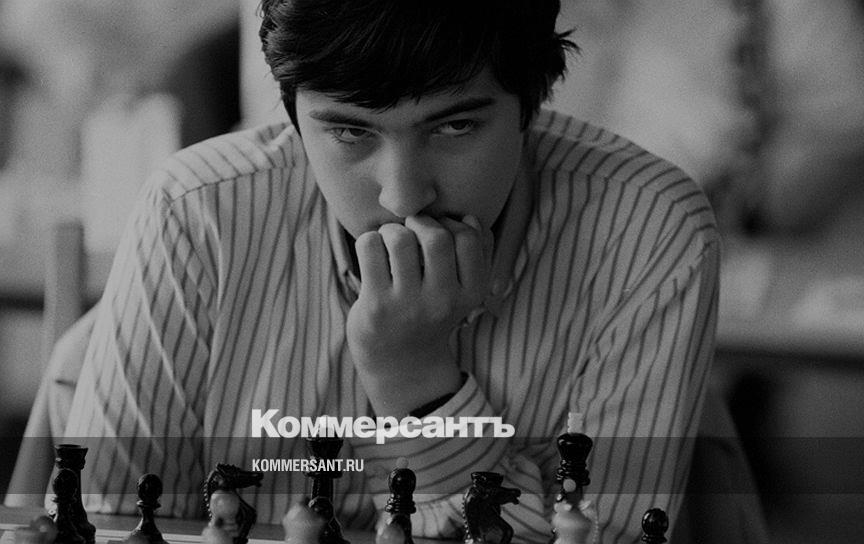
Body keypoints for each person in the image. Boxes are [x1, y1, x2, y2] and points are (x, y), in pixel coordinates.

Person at [62, 1, 720, 542]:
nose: (404, 196)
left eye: (454, 127)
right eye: (350, 133)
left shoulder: (649, 230)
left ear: (532, 102)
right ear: (293, 116)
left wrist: (417, 384)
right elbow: (105, 524)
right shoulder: (196, 215)